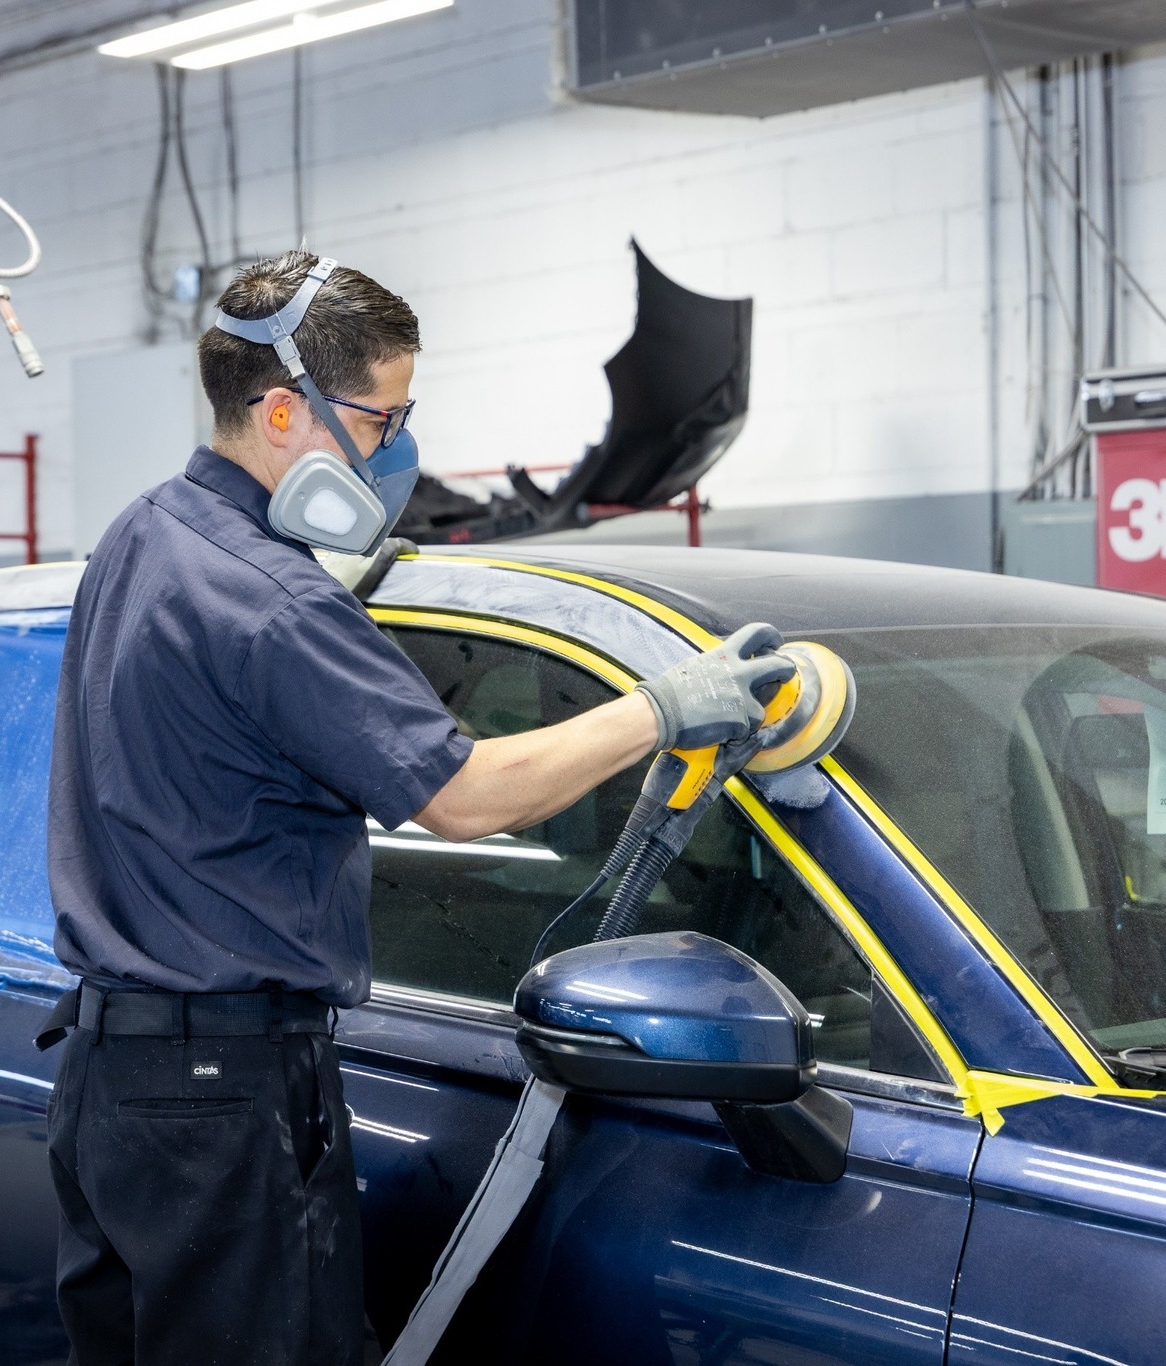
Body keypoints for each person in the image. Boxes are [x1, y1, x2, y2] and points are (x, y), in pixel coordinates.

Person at [41, 250, 792, 1366]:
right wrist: (660, 705)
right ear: (284, 408)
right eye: (382, 421)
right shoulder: (277, 601)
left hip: (111, 1084)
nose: (399, 451)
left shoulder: (142, 537)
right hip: (225, 1102)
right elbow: (463, 797)